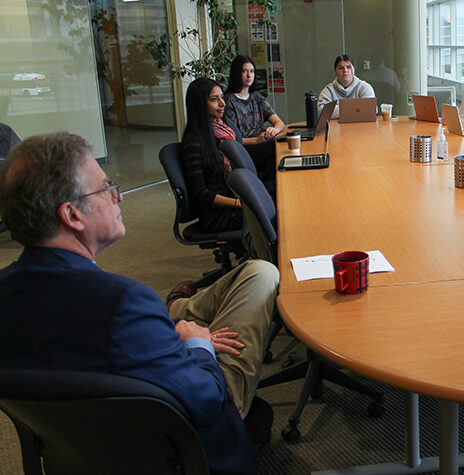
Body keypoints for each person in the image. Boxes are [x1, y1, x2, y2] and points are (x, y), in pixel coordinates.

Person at [0, 132, 280, 474]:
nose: (119, 197)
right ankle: (179, 316)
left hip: (76, 454)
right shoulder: (123, 303)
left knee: (253, 274)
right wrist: (198, 345)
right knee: (262, 276)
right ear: (72, 215)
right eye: (106, 188)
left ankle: (176, 314)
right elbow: (206, 399)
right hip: (184, 452)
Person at [182, 78, 246, 234]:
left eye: (221, 97)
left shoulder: (222, 131)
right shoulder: (194, 142)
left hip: (234, 199)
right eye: (214, 99)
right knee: (275, 216)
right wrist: (239, 203)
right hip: (216, 215)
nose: (222, 103)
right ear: (200, 105)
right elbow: (200, 194)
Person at [223, 54, 286, 144]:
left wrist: (274, 130)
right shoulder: (229, 101)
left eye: (252, 71)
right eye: (244, 71)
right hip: (245, 148)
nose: (249, 75)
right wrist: (257, 140)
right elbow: (233, 139)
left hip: (262, 142)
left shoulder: (257, 98)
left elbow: (279, 122)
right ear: (237, 73)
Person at [318, 54, 376, 120]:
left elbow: (369, 110)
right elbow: (321, 112)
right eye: (340, 68)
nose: (345, 71)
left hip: (360, 128)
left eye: (348, 67)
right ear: (335, 71)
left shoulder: (365, 88)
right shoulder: (328, 91)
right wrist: (357, 108)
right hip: (336, 129)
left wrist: (336, 109)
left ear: (353, 69)